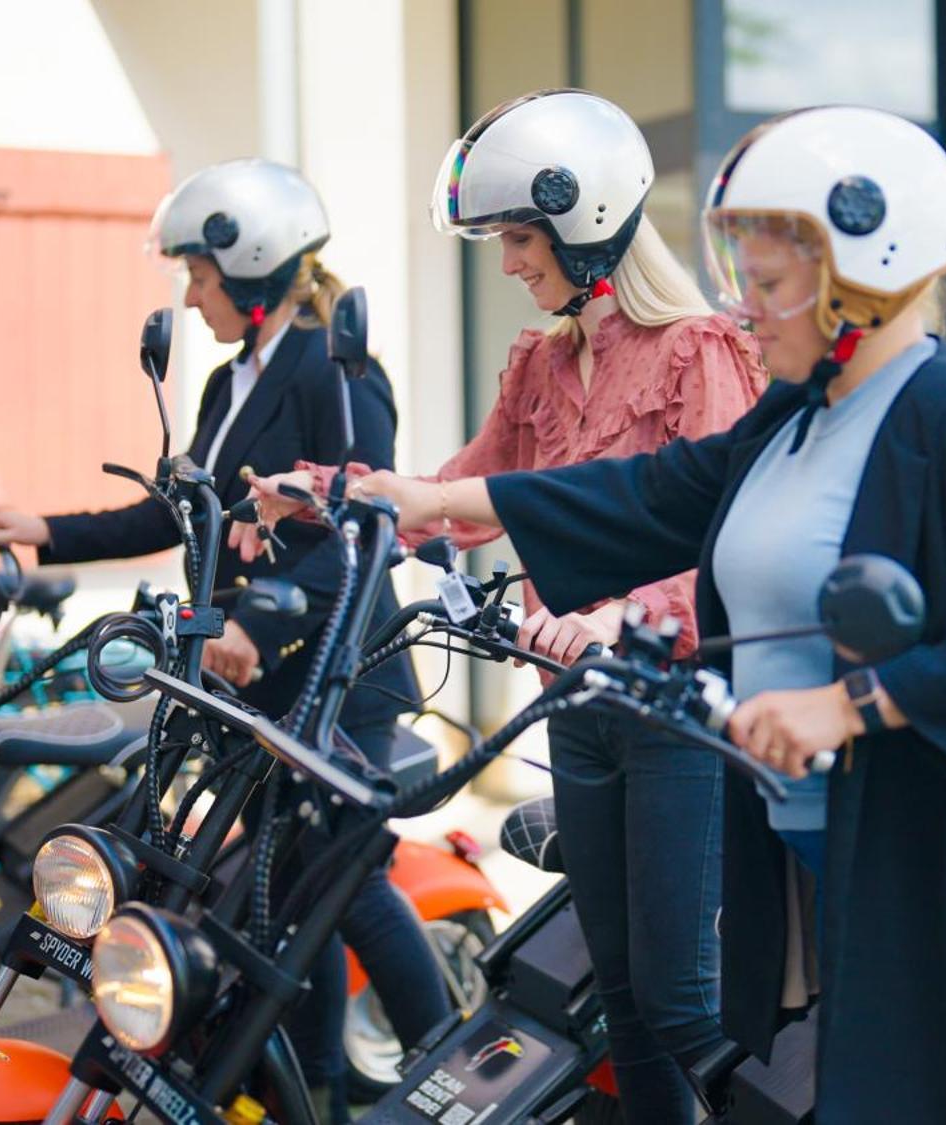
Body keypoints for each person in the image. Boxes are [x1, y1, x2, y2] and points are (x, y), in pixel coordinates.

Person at [246, 107, 946, 1123]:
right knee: (752, 1049)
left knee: (903, 1082)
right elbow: (652, 493)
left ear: (863, 278)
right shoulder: (793, 415)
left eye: (765, 286)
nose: (742, 308)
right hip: (805, 838)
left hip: (934, 849)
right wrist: (423, 501)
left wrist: (850, 703)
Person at [236, 90, 767, 1123]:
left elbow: (722, 531)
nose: (510, 260)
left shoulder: (696, 351)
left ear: (587, 222)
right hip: (571, 707)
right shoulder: (542, 361)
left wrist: (619, 616)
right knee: (618, 999)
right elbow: (461, 495)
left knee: (682, 1001)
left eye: (520, 238)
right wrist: (324, 494)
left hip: (673, 715)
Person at [0, 158, 447, 1119]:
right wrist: (50, 533)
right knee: (275, 892)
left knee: (344, 883)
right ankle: (309, 1094)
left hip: (336, 672)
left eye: (198, 276)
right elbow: (179, 513)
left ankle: (444, 1070)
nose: (190, 299)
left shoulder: (331, 371)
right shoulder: (236, 379)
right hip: (253, 676)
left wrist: (256, 616)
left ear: (255, 264)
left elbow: (366, 532)